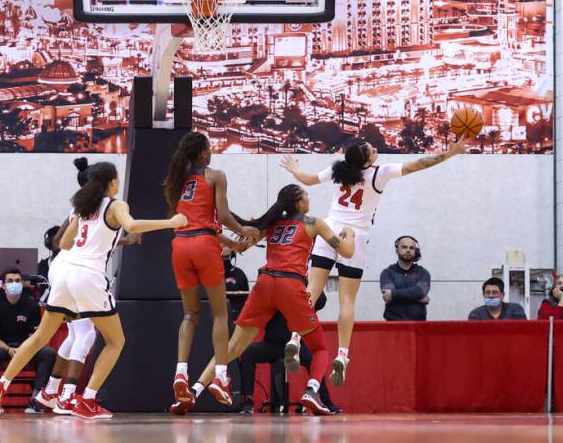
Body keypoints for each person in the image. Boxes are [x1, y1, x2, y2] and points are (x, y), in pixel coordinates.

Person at [0, 162, 187, 419]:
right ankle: (87, 399)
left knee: (40, 338)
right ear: (112, 182)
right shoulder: (115, 205)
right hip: (88, 275)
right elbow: (132, 226)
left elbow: (64, 242)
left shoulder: (82, 207)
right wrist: (172, 221)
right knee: (116, 341)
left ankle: (0, 387)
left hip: (65, 273)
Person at [280, 136, 467, 385]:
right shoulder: (380, 173)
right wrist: (448, 154)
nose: (376, 150)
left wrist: (294, 170)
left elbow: (309, 180)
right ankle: (343, 356)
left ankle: (294, 338)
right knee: (347, 301)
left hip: (328, 229)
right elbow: (419, 164)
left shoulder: (338, 168)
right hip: (355, 237)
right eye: (372, 149)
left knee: (312, 290)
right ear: (368, 160)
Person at [177, 184, 355, 416]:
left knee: (232, 347)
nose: (309, 199)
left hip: (264, 283)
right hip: (290, 285)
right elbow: (347, 252)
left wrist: (243, 228)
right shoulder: (313, 223)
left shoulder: (272, 224)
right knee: (320, 348)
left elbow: (243, 245)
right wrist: (349, 235)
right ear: (300, 203)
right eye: (307, 196)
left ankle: (194, 391)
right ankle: (311, 392)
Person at [34, 158, 141, 415]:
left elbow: (77, 241)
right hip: (76, 272)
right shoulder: (90, 208)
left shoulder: (83, 207)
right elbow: (61, 241)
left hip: (64, 271)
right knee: (86, 335)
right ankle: (69, 396)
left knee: (74, 335)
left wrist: (121, 243)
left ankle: (51, 390)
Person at [162, 132, 260, 408]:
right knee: (220, 314)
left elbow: (198, 222)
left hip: (180, 245)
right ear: (204, 152)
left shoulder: (176, 181)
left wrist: (232, 244)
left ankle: (181, 372)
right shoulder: (215, 175)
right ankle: (220, 377)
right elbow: (223, 216)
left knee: (190, 314)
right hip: (205, 245)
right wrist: (245, 231)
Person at [0, 268, 57, 413]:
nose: (14, 284)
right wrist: (9, 349)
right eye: (10, 281)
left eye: (17, 281)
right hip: (4, 348)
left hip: (27, 347)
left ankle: (36, 401)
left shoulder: (32, 305)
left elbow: (34, 337)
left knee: (49, 354)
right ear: (3, 285)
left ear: (22, 284)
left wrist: (23, 350)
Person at [379, 236, 431, 321]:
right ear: (397, 250)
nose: (408, 250)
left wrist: (393, 294)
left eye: (411, 248)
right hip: (393, 326)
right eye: (404, 247)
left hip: (418, 328)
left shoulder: (423, 273)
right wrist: (417, 296)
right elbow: (418, 293)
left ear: (415, 251)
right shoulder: (387, 273)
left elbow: (419, 291)